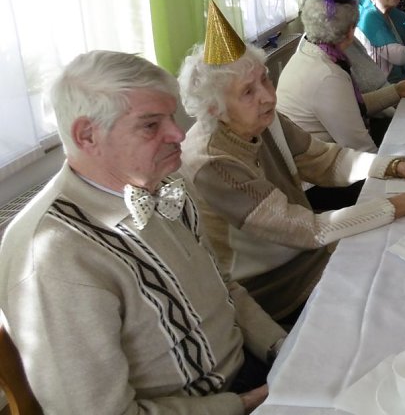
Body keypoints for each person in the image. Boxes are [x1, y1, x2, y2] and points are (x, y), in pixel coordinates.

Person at [0, 50, 286, 414]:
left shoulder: (163, 184)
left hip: (251, 371)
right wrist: (241, 403)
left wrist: (281, 345)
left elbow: (224, 287)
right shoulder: (55, 255)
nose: (178, 133)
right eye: (151, 125)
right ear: (87, 135)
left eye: (171, 116)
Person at [179, 1, 405, 324]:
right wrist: (401, 204)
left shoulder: (265, 118)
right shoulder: (212, 162)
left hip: (313, 253)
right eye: (248, 92)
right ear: (213, 110)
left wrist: (397, 166)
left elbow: (327, 160)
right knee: (399, 294)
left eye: (265, 79)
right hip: (278, 291)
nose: (267, 95)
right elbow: (306, 229)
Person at [278, 0, 405, 152]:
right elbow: (362, 147)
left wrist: (397, 91)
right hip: (325, 166)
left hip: (327, 152)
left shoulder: (311, 48)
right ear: (350, 31)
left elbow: (349, 105)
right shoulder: (327, 76)